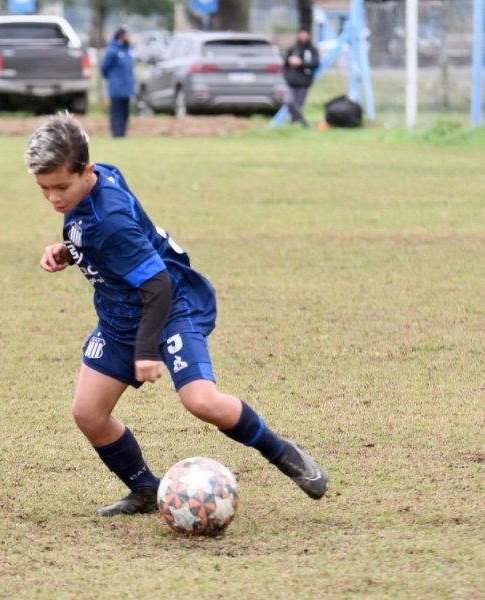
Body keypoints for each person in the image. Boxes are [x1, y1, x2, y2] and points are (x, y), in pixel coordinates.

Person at [24, 114, 327, 517]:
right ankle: (145, 490)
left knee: (202, 401)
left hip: (167, 309)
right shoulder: (98, 183)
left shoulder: (110, 222)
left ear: (87, 170)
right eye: (43, 188)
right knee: (88, 413)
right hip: (119, 317)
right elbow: (97, 234)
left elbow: (158, 284)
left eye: (61, 187)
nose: (53, 198)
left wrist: (147, 350)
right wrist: (69, 250)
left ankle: (284, 453)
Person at [100, 26, 136, 138]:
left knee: (125, 112)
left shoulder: (128, 49)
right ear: (121, 36)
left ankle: (123, 133)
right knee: (116, 112)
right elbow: (104, 68)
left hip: (127, 87)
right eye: (127, 34)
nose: (129, 36)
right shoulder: (112, 50)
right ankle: (117, 134)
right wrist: (114, 79)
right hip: (116, 87)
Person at [283, 26, 320, 127]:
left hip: (304, 81)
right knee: (289, 101)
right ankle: (303, 123)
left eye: (305, 34)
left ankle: (294, 123)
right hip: (291, 81)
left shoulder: (312, 49)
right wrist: (286, 76)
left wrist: (301, 63)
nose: (303, 36)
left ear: (309, 35)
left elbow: (315, 63)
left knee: (298, 105)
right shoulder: (293, 48)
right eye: (302, 34)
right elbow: (285, 63)